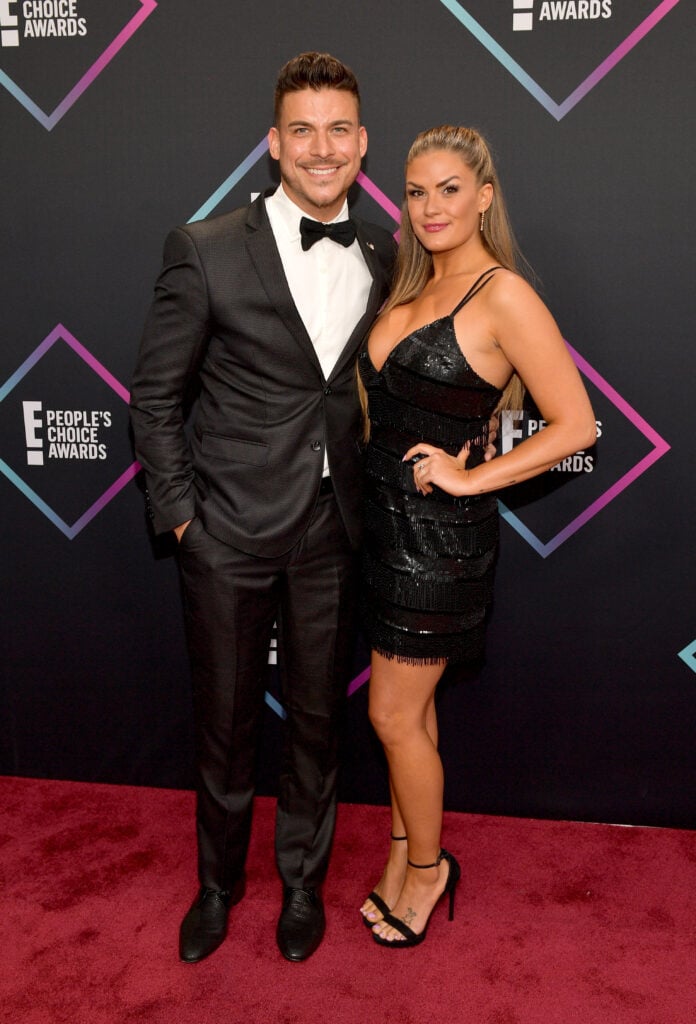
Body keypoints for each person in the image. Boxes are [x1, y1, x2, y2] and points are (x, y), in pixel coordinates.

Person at [129, 52, 397, 963]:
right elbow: (155, 398)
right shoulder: (203, 248)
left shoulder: (380, 252)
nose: (321, 149)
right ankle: (215, 886)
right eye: (302, 131)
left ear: (361, 144)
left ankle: (301, 889)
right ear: (274, 144)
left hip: (332, 532)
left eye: (338, 130)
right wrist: (182, 523)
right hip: (227, 532)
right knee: (225, 725)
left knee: (319, 727)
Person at [357, 125, 597, 947]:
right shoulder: (405, 283)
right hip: (380, 529)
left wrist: (471, 476)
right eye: (416, 191)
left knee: (391, 715)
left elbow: (577, 425)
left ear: (484, 196)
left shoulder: (503, 296)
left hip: (439, 542)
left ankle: (428, 871)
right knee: (409, 715)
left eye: (449, 188)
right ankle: (401, 851)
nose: (430, 206)